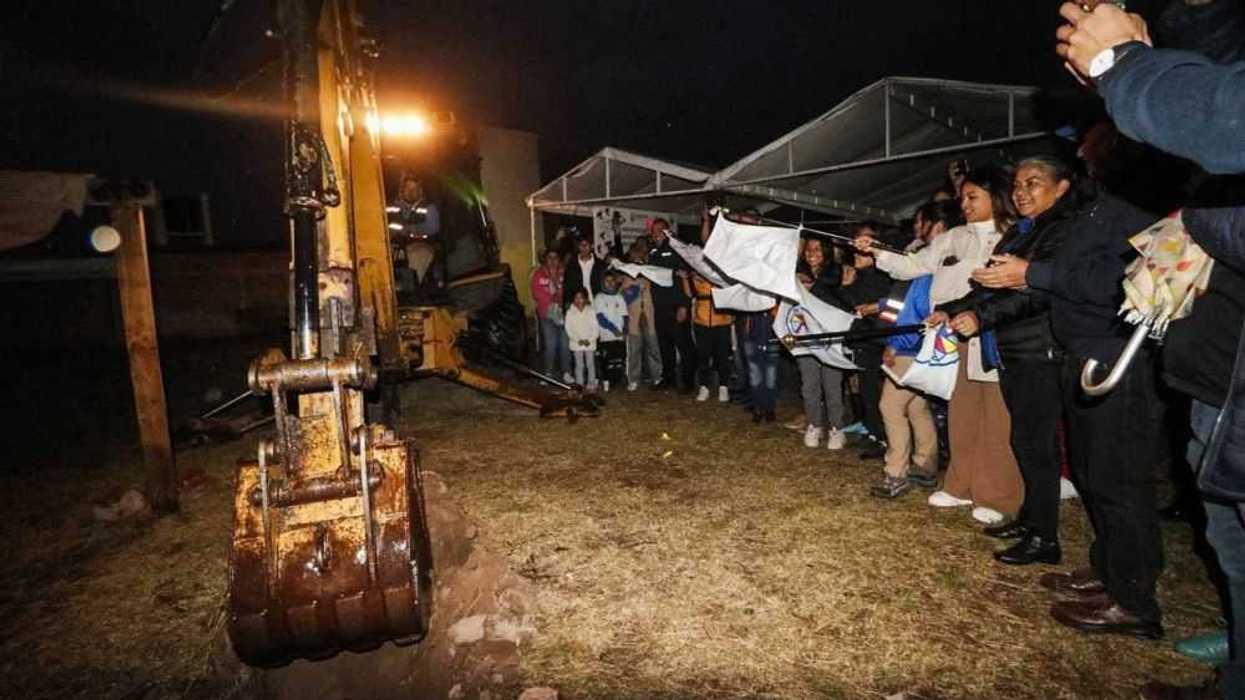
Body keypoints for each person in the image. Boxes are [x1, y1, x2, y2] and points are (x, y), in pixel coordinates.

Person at [1057, 2, 1245, 695]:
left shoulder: (1135, 192)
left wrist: (1123, 64)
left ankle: (1132, 597)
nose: (1086, 146)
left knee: (1119, 479)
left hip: (1143, 357)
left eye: (1096, 136)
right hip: (1213, 375)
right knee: (1224, 538)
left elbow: (1221, 116)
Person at [858, 167, 1023, 526]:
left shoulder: (1013, 236)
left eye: (972, 196)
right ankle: (960, 484)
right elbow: (914, 265)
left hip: (993, 333)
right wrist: (879, 254)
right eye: (962, 196)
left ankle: (998, 494)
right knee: (962, 411)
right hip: (949, 335)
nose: (964, 203)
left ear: (995, 196)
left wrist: (962, 310)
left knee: (995, 416)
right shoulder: (953, 237)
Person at [939, 157, 1076, 566]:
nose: (1021, 192)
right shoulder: (1020, 231)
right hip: (1011, 351)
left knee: (1037, 445)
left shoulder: (1061, 231)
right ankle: (1030, 519)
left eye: (1033, 183)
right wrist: (950, 309)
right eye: (1017, 185)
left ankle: (1045, 538)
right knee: (1024, 440)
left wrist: (979, 318)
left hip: (1040, 350)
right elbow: (989, 285)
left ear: (1062, 188)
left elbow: (1033, 293)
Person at [867, 207, 961, 499]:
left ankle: (895, 473)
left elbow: (915, 311)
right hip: (923, 346)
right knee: (916, 407)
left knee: (891, 405)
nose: (920, 228)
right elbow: (902, 304)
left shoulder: (933, 264)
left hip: (916, 347)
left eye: (926, 223)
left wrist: (896, 344)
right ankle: (926, 464)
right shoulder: (927, 260)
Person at [795, 238, 847, 449]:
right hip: (805, 336)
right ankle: (814, 425)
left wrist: (813, 286)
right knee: (809, 385)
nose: (812, 253)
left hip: (831, 337)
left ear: (825, 251)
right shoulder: (797, 274)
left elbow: (840, 301)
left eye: (817, 248)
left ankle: (837, 428)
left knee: (832, 385)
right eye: (808, 249)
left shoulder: (836, 274)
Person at [645, 218, 696, 391]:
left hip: (676, 305)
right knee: (664, 345)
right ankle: (669, 378)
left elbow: (685, 277)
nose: (656, 233)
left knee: (683, 344)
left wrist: (684, 305)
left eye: (660, 230)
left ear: (668, 232)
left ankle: (688, 381)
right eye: (654, 230)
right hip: (660, 306)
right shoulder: (652, 252)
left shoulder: (677, 249)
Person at [683, 267, 734, 402]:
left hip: (722, 320)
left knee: (723, 356)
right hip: (702, 320)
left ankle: (724, 387)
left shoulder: (723, 273)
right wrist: (686, 278)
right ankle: (704, 386)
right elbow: (689, 294)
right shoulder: (695, 272)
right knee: (703, 356)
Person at [620, 240, 662, 391]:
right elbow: (625, 297)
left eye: (641, 257)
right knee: (634, 350)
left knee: (653, 348)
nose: (638, 259)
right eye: (635, 257)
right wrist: (636, 288)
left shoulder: (651, 274)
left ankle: (657, 377)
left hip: (650, 318)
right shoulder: (626, 277)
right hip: (634, 319)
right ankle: (634, 378)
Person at [530, 249, 572, 383]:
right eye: (550, 257)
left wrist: (562, 298)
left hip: (563, 313)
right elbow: (536, 293)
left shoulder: (565, 272)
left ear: (559, 259)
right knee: (550, 344)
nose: (553, 260)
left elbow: (571, 289)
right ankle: (548, 373)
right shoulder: (538, 274)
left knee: (565, 344)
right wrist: (552, 298)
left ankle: (567, 372)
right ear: (545, 259)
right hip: (546, 314)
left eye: (555, 257)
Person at [594, 272, 628, 393]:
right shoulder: (599, 298)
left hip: (619, 337)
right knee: (606, 362)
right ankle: (606, 383)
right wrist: (614, 330)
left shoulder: (620, 297)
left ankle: (619, 381)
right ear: (603, 283)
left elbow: (625, 316)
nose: (610, 283)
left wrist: (624, 331)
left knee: (618, 360)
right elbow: (601, 318)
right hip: (606, 336)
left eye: (612, 280)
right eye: (606, 281)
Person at [564, 289, 599, 390]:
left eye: (581, 298)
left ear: (585, 299)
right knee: (579, 365)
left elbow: (595, 327)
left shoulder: (591, 311)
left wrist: (590, 339)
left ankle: (591, 383)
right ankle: (580, 383)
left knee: (590, 364)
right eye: (576, 298)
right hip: (576, 343)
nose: (579, 300)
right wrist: (577, 339)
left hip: (589, 343)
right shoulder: (570, 312)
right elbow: (568, 328)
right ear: (573, 299)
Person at [562, 235, 605, 309]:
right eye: (581, 245)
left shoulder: (600, 265)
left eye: (586, 244)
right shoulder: (572, 265)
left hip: (597, 304)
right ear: (578, 247)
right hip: (578, 304)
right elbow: (567, 287)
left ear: (592, 246)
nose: (584, 247)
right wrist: (567, 305)